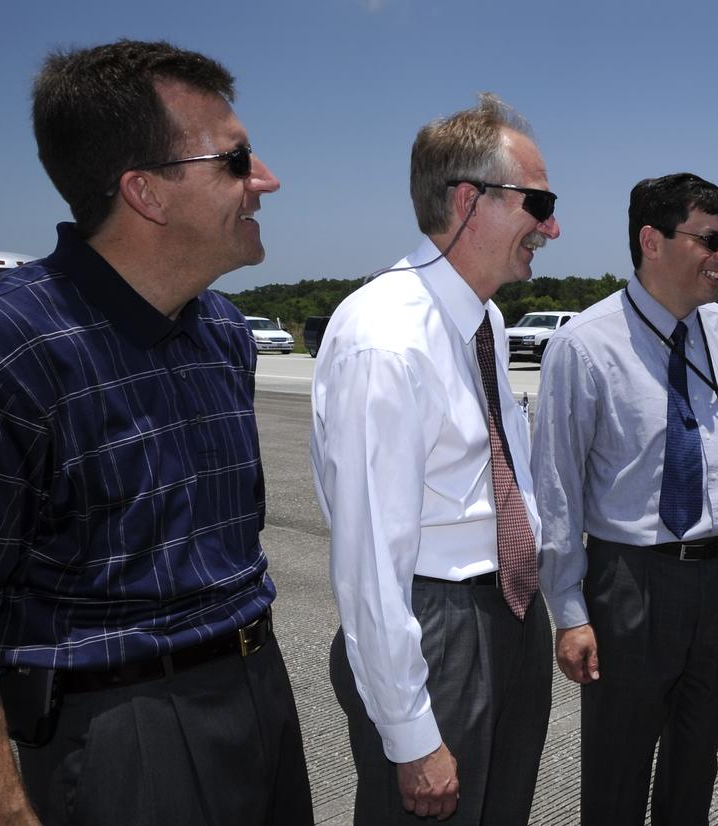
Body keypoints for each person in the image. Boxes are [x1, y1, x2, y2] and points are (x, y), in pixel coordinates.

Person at [0, 40, 311, 825]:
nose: (267, 181)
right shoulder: (1, 342)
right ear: (146, 192)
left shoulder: (222, 330)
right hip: (124, 736)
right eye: (238, 160)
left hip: (260, 694)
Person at [311, 93, 559, 826]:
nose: (551, 227)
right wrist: (412, 735)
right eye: (537, 202)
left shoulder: (483, 317)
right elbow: (368, 568)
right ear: (467, 200)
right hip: (437, 627)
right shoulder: (385, 338)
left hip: (511, 612)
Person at [532, 172, 718, 826]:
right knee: (617, 770)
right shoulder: (584, 345)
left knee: (696, 763)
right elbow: (555, 485)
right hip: (629, 581)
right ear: (652, 240)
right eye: (712, 239)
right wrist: (570, 608)